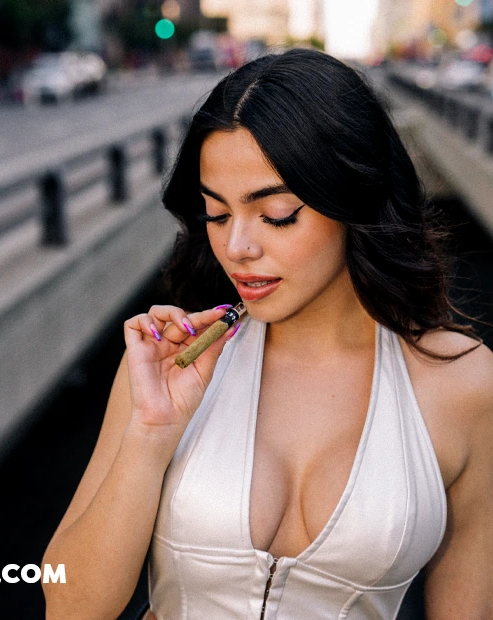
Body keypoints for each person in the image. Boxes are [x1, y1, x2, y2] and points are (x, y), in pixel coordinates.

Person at [42, 49, 493, 619]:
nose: (238, 248)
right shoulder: (171, 370)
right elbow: (71, 608)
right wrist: (151, 433)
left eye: (276, 213)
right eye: (217, 214)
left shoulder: (465, 385)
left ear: (353, 198)